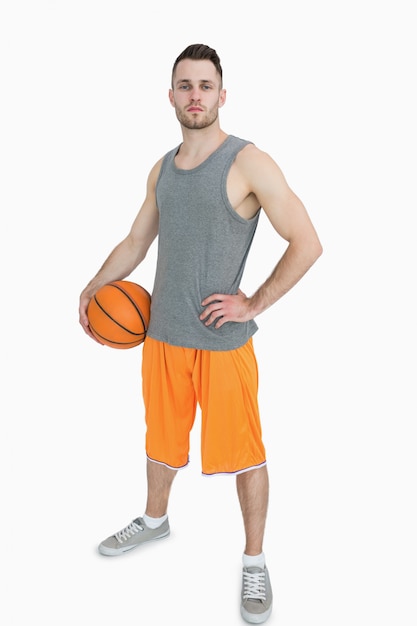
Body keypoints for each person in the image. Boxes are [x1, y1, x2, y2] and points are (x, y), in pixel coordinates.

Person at [79, 43, 322, 624]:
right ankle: (156, 520)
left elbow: (308, 242)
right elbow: (137, 242)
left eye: (205, 85)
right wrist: (92, 287)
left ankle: (254, 560)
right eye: (184, 86)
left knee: (245, 456)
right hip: (161, 338)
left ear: (221, 94)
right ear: (171, 96)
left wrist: (253, 302)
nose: (195, 95)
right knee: (160, 441)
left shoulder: (248, 161)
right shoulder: (162, 167)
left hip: (221, 344)